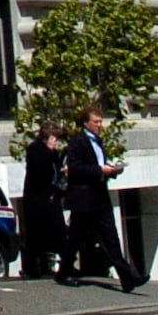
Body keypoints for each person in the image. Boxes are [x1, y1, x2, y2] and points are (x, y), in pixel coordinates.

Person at [60, 105, 145, 293]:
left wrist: (111, 170)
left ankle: (128, 278)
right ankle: (64, 272)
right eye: (95, 122)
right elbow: (75, 168)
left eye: (100, 121)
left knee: (111, 237)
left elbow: (98, 165)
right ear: (85, 123)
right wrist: (100, 170)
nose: (99, 125)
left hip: (99, 196)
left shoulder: (97, 141)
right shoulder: (78, 142)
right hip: (84, 198)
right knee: (76, 238)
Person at [20, 122, 68, 280]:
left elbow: (56, 169)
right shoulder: (35, 150)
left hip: (52, 197)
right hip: (37, 199)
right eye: (55, 138)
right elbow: (39, 170)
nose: (56, 142)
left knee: (59, 232)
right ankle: (31, 267)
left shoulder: (53, 153)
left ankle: (65, 264)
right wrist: (49, 151)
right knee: (36, 234)